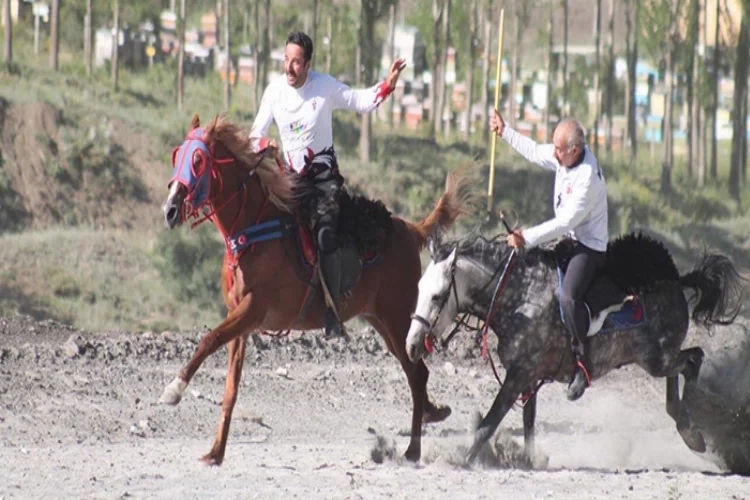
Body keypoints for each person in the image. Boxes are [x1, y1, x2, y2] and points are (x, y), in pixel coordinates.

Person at [250, 31, 406, 337]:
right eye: (286, 60)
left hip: (324, 182)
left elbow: (361, 101)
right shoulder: (274, 92)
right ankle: (268, 300)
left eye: (296, 62)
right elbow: (254, 135)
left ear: (308, 64)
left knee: (323, 235)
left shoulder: (324, 87)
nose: (289, 68)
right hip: (290, 183)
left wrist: (387, 85)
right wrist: (265, 143)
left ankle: (332, 311)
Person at [489, 109, 609, 402]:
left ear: (575, 150)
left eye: (559, 149)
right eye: (554, 147)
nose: (554, 154)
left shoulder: (587, 178)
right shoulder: (563, 155)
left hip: (588, 247)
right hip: (568, 240)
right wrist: (505, 131)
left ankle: (582, 364)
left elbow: (565, 222)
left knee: (568, 297)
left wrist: (525, 237)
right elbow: (533, 151)